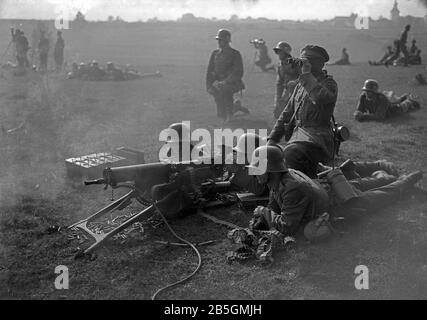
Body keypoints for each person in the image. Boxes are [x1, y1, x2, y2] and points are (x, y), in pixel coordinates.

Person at [247, 145, 424, 241]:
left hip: (343, 205)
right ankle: (384, 175)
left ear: (271, 169)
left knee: (386, 194)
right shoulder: (279, 179)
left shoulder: (291, 187)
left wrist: (264, 213)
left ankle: (408, 179)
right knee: (371, 183)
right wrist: (265, 215)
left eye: (258, 169)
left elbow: (287, 226)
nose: (254, 173)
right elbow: (275, 205)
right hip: (333, 189)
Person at [268, 45, 338, 178]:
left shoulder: (329, 84)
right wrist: (272, 138)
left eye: (305, 62)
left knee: (291, 153)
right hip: (300, 136)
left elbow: (319, 98)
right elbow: (287, 114)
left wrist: (306, 74)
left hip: (318, 140)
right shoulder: (301, 84)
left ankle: (301, 185)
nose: (301, 66)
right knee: (266, 150)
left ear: (317, 64)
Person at [206, 29, 247, 122]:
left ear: (227, 41)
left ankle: (230, 114)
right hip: (218, 82)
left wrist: (225, 82)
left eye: (221, 40)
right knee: (220, 112)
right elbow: (210, 71)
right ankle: (235, 108)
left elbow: (238, 72)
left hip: (232, 82)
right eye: (218, 40)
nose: (219, 42)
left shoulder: (235, 54)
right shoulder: (215, 53)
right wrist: (209, 85)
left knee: (225, 91)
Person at [354, 79, 420, 122]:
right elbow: (359, 110)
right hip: (387, 103)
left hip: (393, 110)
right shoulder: (363, 96)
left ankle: (410, 100)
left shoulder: (382, 99)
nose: (366, 93)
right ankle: (403, 97)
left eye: (369, 91)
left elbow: (379, 116)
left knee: (404, 106)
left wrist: (363, 116)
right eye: (366, 91)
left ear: (374, 91)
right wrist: (357, 114)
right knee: (397, 100)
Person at [273, 41, 299, 119]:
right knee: (278, 112)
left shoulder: (294, 63)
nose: (278, 54)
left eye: (280, 52)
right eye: (277, 52)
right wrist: (277, 99)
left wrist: (294, 83)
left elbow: (302, 77)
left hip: (297, 90)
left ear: (285, 52)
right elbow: (279, 82)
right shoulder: (280, 65)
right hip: (287, 90)